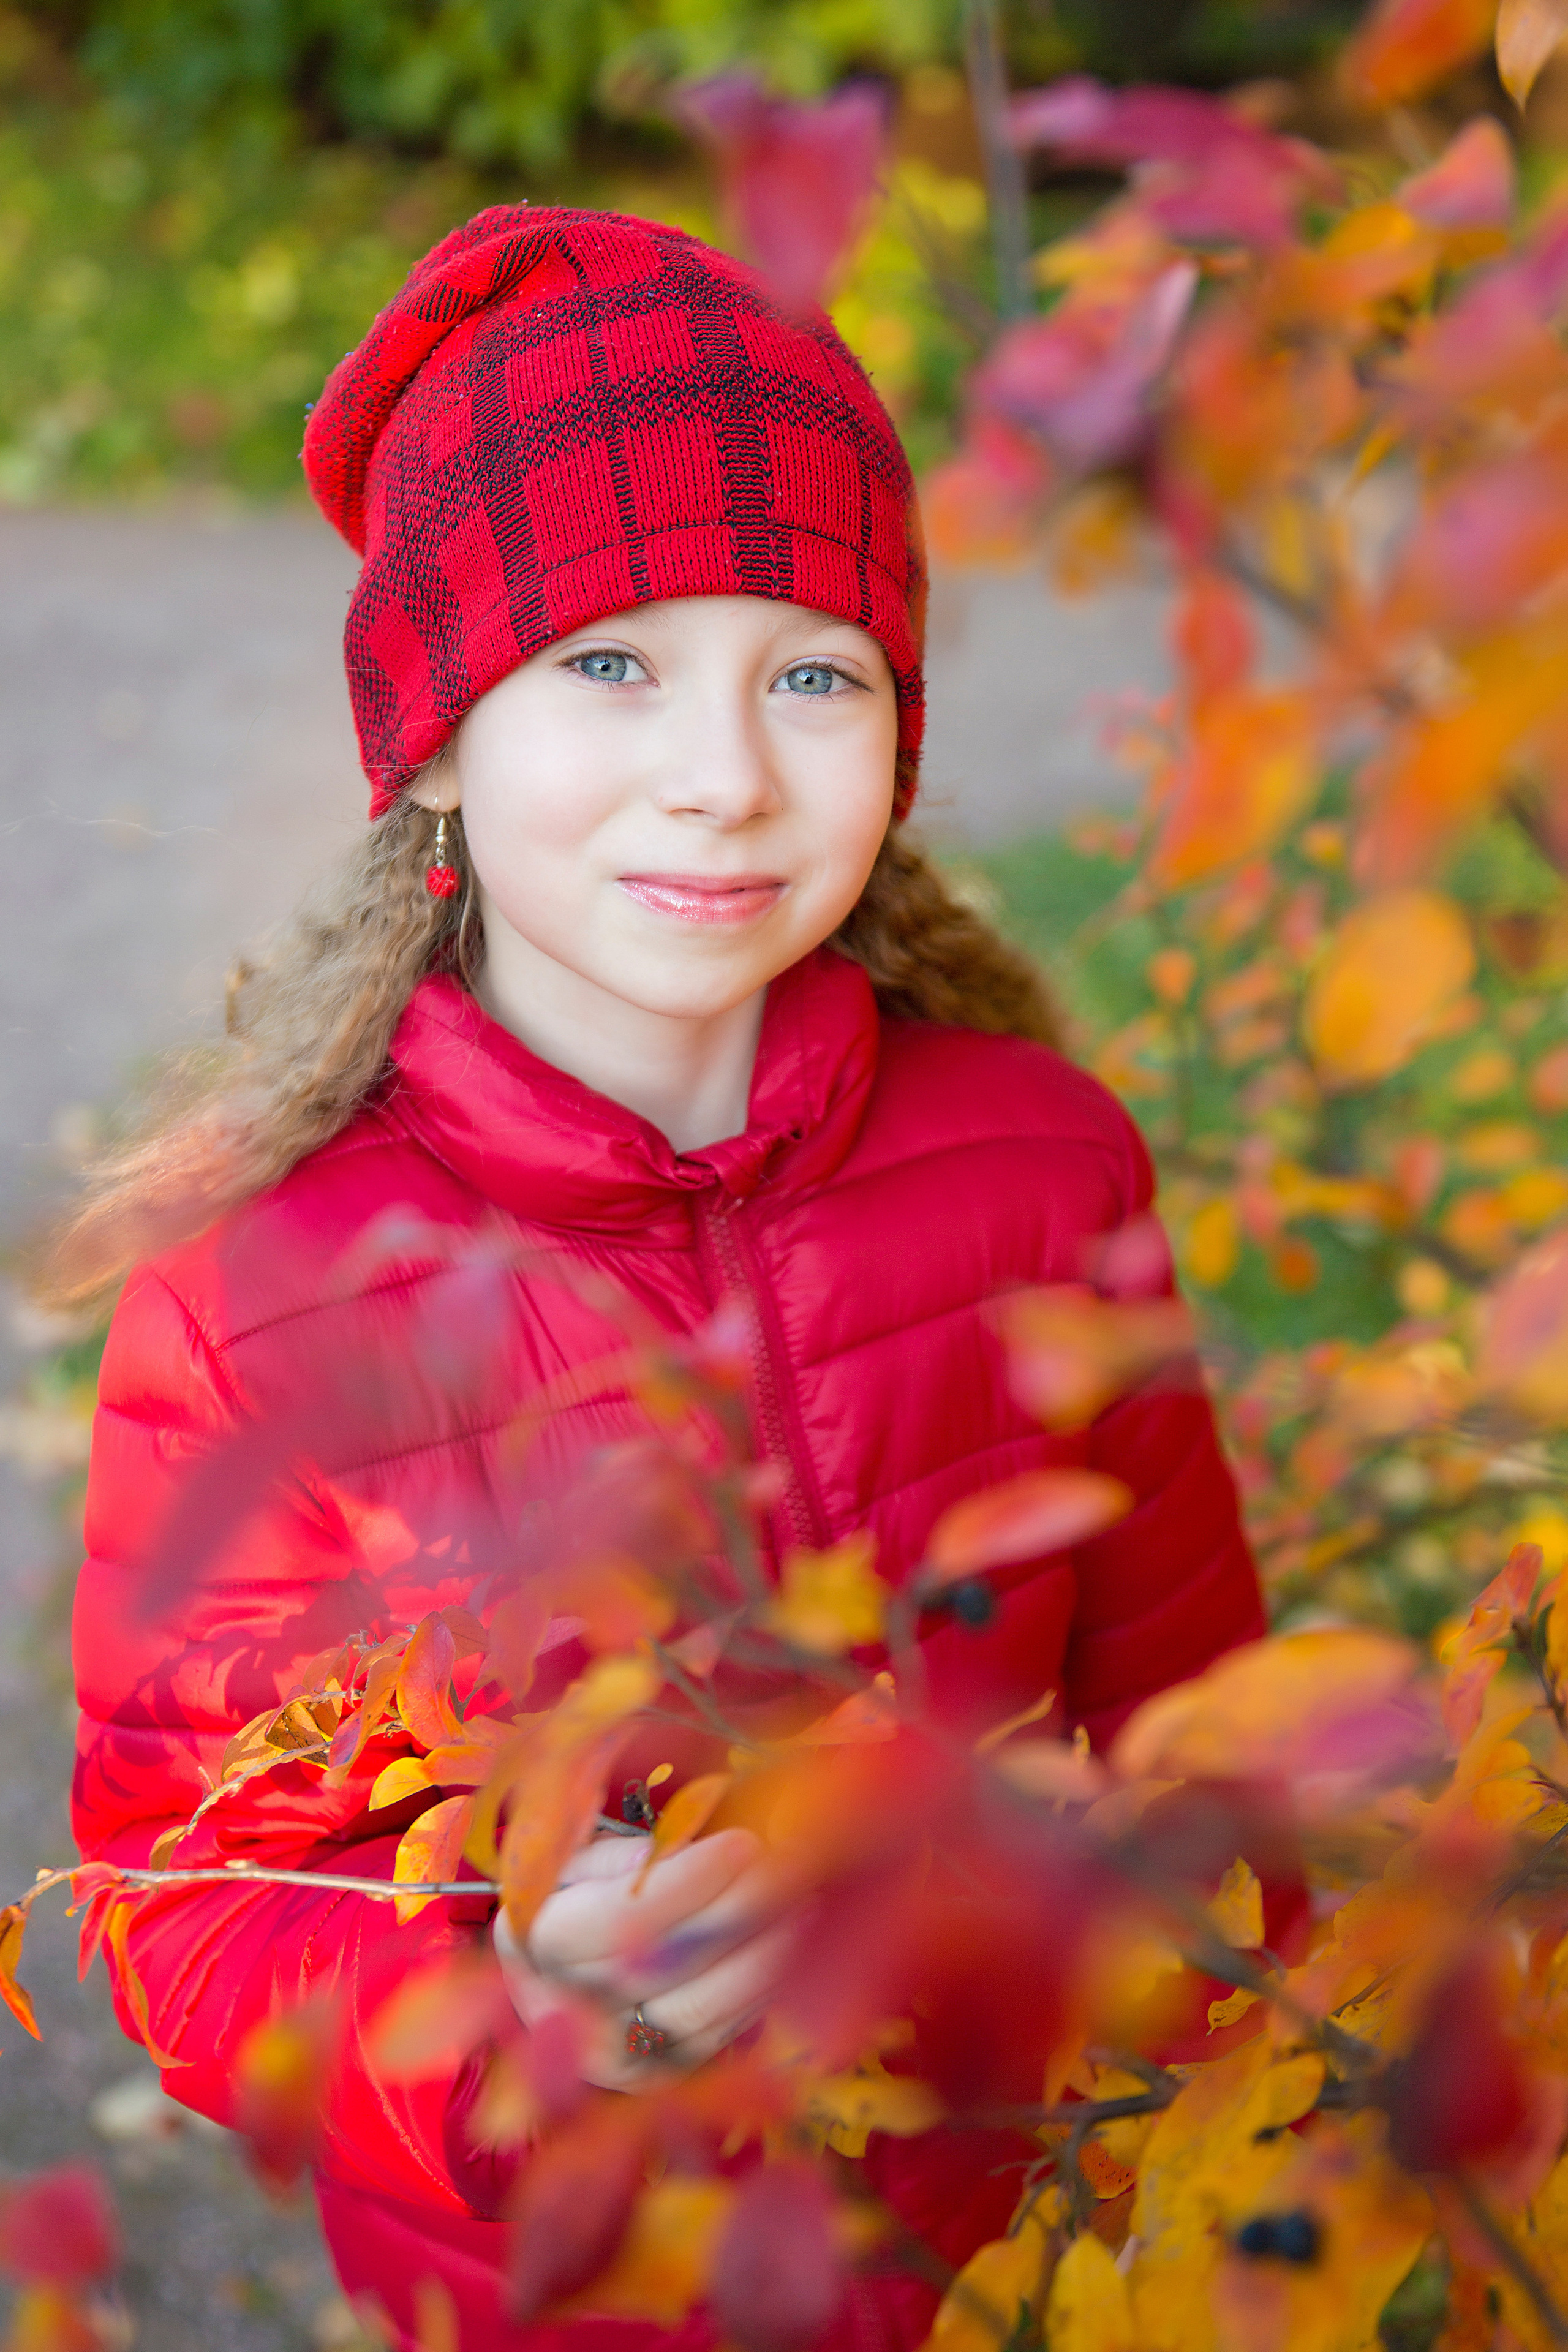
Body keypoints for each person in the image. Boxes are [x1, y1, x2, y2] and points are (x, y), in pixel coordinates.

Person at [62, 207, 1267, 2348]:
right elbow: (185, 1900)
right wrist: (504, 2011)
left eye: (811, 673)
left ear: (896, 734)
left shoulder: (1040, 1161)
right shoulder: (255, 1302)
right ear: (431, 739)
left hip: (1034, 2239)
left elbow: (1194, 1703)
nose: (723, 773)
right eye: (609, 662)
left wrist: (1194, 2025)